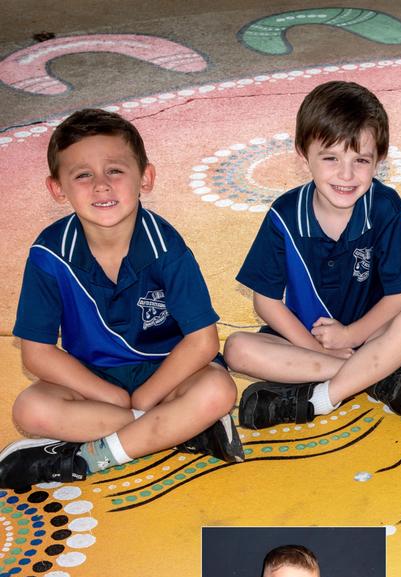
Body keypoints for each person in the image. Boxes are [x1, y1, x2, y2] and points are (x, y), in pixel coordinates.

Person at [0, 109, 241, 490]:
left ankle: (88, 458)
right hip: (93, 380)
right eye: (82, 175)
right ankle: (180, 430)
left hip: (167, 374)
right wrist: (113, 396)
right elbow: (38, 353)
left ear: (145, 176)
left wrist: (144, 397)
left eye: (115, 170)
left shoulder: (167, 247)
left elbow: (202, 341)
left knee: (218, 390)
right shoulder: (49, 254)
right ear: (57, 188)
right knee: (29, 409)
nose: (101, 185)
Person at [224, 81, 401, 426]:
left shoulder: (385, 208)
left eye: (361, 160)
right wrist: (315, 347)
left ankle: (318, 399)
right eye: (330, 158)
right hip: (304, 340)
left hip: (370, 335)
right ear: (302, 151)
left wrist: (350, 336)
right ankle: (380, 379)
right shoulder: (284, 214)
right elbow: (266, 303)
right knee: (237, 349)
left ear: (379, 159)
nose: (346, 174)